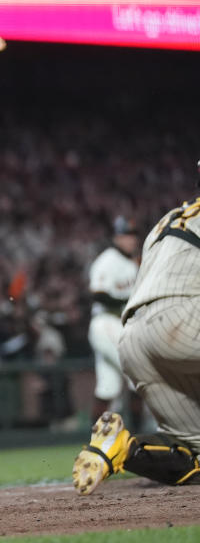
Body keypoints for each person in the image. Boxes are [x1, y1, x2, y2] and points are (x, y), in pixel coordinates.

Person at [73, 164, 200, 495]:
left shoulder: (165, 221)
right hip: (179, 324)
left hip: (133, 340)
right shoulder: (108, 262)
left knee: (195, 456)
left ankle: (121, 447)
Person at [86, 215, 140, 420]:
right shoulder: (107, 260)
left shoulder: (133, 262)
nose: (131, 239)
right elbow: (98, 294)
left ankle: (95, 441)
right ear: (116, 237)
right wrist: (129, 300)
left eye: (133, 234)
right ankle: (138, 435)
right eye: (126, 234)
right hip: (106, 323)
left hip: (121, 325)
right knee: (138, 371)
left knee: (107, 387)